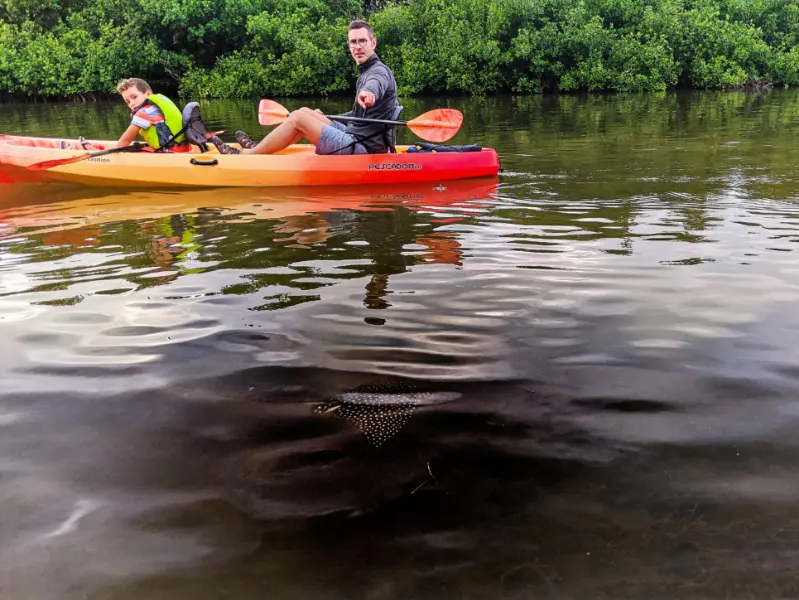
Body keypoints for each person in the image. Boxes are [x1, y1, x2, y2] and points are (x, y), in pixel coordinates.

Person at [213, 19, 397, 156]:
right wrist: (323, 117)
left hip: (364, 149)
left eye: (362, 41)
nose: (357, 46)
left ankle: (250, 156)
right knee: (305, 112)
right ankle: (260, 147)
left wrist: (369, 92)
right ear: (349, 45)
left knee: (298, 118)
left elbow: (376, 83)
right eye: (353, 42)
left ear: (373, 43)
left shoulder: (378, 72)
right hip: (356, 136)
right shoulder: (366, 71)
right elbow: (358, 118)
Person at [113, 78, 191, 152]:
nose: (132, 103)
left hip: (170, 153)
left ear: (148, 94)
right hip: (186, 149)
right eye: (128, 102)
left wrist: (113, 155)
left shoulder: (144, 111)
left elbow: (125, 140)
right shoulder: (160, 104)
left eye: (134, 97)